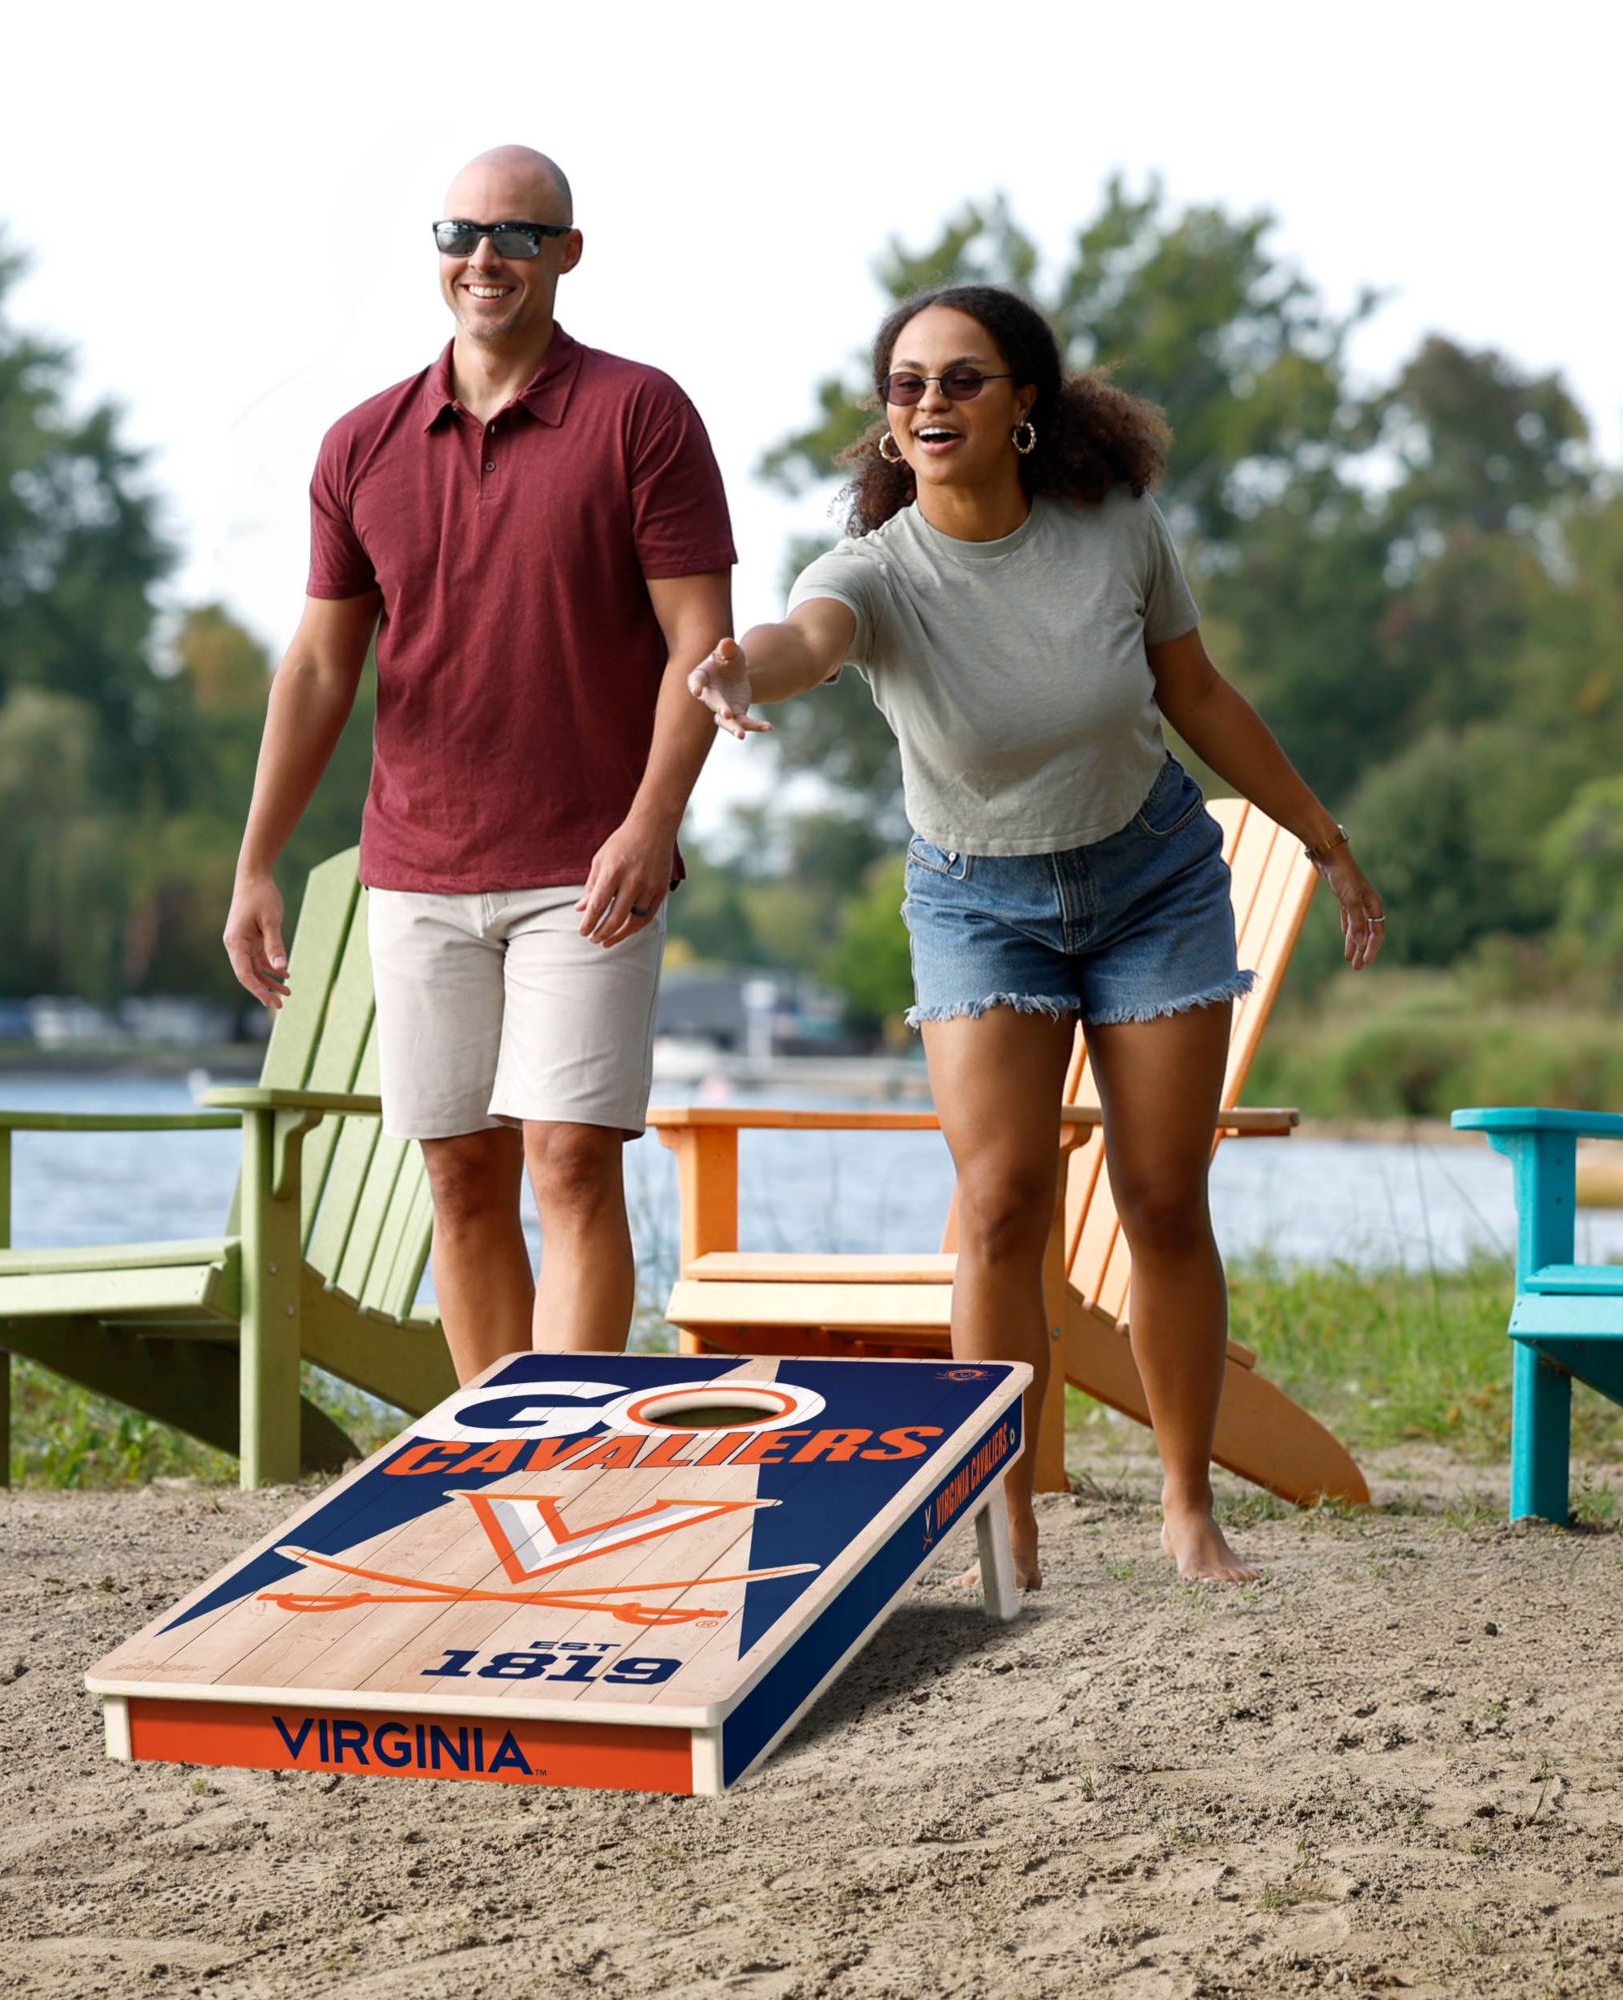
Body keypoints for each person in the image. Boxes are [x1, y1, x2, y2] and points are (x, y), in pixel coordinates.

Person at [687, 284, 1384, 1586]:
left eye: (961, 378)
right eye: (907, 385)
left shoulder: (1115, 530)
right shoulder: (875, 572)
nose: (932, 403)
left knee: (1164, 1201)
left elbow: (1197, 693)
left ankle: (1187, 1511)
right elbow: (804, 639)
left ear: (1023, 405)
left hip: (1154, 884)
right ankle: (1003, 1515)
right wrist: (739, 671)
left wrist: (1319, 834)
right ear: (888, 425)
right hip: (975, 903)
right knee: (1002, 1203)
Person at [222, 146, 735, 1386]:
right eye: (462, 232)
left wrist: (650, 821)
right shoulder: (361, 444)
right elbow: (314, 671)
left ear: (567, 251)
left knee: (567, 1156)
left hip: (589, 864)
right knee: (458, 1170)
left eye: (516, 234)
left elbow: (700, 648)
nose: (485, 258)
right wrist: (254, 864)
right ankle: (494, 1461)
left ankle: (568, 1460)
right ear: (438, 250)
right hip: (419, 865)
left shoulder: (638, 414)